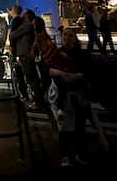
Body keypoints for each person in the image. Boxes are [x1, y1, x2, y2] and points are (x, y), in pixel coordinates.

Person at [45, 27, 91, 166]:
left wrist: (71, 76)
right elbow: (50, 70)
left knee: (78, 126)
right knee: (65, 128)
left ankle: (77, 153)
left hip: (76, 93)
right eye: (65, 35)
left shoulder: (80, 54)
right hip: (64, 95)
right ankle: (66, 155)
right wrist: (64, 75)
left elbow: (85, 71)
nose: (66, 38)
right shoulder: (58, 53)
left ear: (74, 38)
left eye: (70, 35)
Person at [10, 9, 43, 109]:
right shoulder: (28, 26)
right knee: (32, 79)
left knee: (31, 79)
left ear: (27, 16)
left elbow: (12, 35)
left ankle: (38, 102)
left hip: (26, 56)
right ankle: (37, 101)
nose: (22, 15)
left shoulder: (27, 26)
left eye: (24, 14)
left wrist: (15, 17)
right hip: (27, 55)